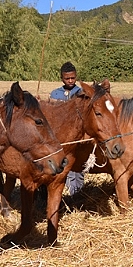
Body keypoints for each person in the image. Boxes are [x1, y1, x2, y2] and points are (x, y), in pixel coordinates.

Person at [49, 61, 84, 195]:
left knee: (78, 168)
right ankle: (66, 192)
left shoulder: (81, 92)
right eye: (67, 78)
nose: (70, 80)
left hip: (77, 137)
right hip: (61, 137)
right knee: (64, 166)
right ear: (61, 78)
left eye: (73, 78)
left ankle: (78, 194)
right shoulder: (55, 94)